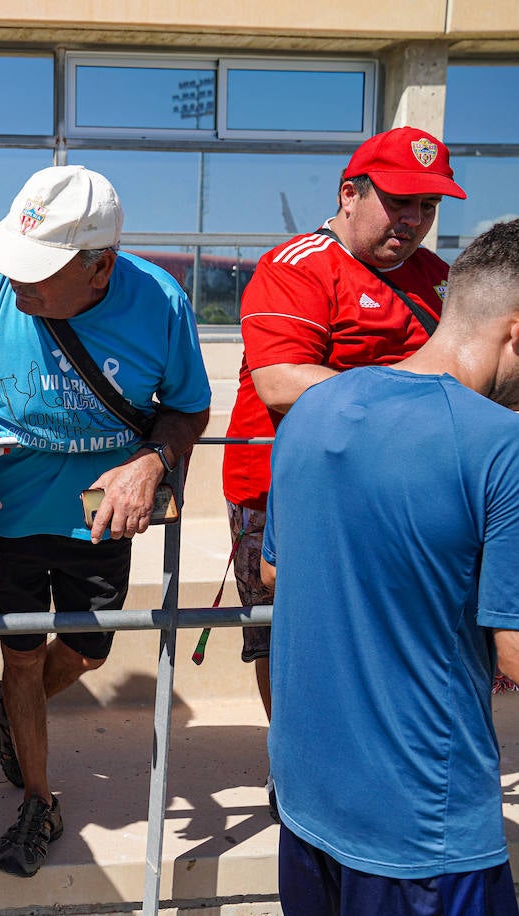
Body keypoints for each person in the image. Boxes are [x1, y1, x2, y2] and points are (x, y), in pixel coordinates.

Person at [0, 165, 211, 878]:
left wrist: (153, 463)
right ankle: (39, 800)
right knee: (20, 651)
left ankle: (13, 707)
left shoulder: (158, 300)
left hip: (101, 517)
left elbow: (187, 405)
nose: (20, 283)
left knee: (88, 651)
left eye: (40, 272)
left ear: (101, 265)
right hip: (6, 515)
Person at [263, 219, 519, 915]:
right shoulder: (505, 448)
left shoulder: (314, 408)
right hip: (422, 833)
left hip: (308, 805)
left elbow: (278, 576)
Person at [220, 126, 466, 810]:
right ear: (350, 193)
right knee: (285, 633)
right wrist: (415, 390)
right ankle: (291, 761)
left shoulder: (439, 281)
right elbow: (281, 382)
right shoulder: (296, 265)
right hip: (283, 490)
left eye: (428, 207)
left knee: (383, 632)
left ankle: (370, 753)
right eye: (400, 202)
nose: (413, 221)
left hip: (393, 491)